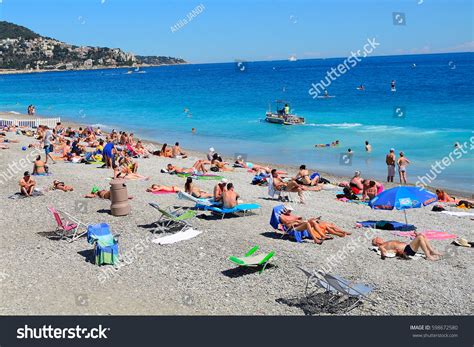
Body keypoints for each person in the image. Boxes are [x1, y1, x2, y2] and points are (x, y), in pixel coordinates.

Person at [372, 234, 442, 261]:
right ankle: (428, 255)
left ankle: (431, 251)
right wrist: (383, 254)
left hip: (408, 247)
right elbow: (383, 251)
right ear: (377, 243)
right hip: (406, 251)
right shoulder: (381, 246)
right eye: (377, 238)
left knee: (421, 235)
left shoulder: (386, 242)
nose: (379, 238)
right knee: (420, 237)